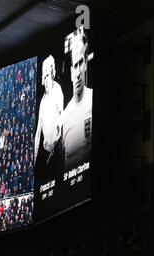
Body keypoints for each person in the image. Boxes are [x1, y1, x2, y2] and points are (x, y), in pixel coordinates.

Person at [62, 28, 92, 171]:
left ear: (85, 64)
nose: (78, 72)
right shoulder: (65, 115)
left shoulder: (93, 100)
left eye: (81, 63)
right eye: (75, 65)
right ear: (71, 72)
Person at [34, 55, 64, 169]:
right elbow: (37, 134)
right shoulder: (43, 101)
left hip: (57, 149)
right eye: (44, 76)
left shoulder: (57, 90)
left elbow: (62, 116)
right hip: (47, 152)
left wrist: (58, 132)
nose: (45, 80)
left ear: (52, 74)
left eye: (47, 75)